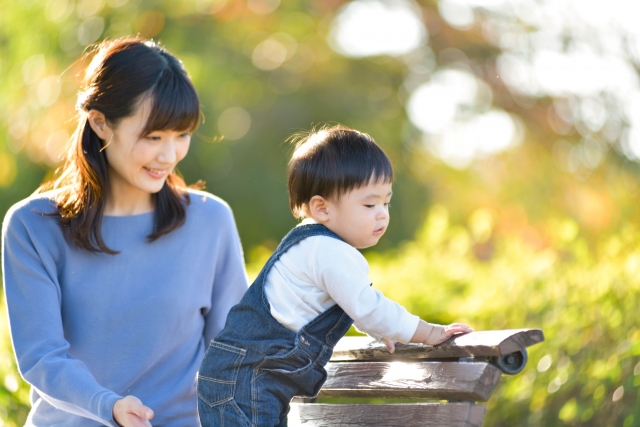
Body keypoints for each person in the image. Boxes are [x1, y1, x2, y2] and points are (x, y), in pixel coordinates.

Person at [1, 38, 248, 427]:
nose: (169, 155)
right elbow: (41, 356)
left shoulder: (210, 221)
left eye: (181, 135)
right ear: (101, 123)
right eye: (153, 137)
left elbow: (233, 353)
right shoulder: (32, 225)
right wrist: (108, 406)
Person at [196, 126, 472, 427]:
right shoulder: (327, 250)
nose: (382, 213)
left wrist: (381, 332)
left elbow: (349, 305)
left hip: (243, 377)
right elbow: (369, 306)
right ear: (321, 208)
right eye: (369, 204)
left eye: (386, 202)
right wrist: (428, 333)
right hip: (247, 381)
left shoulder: (311, 244)